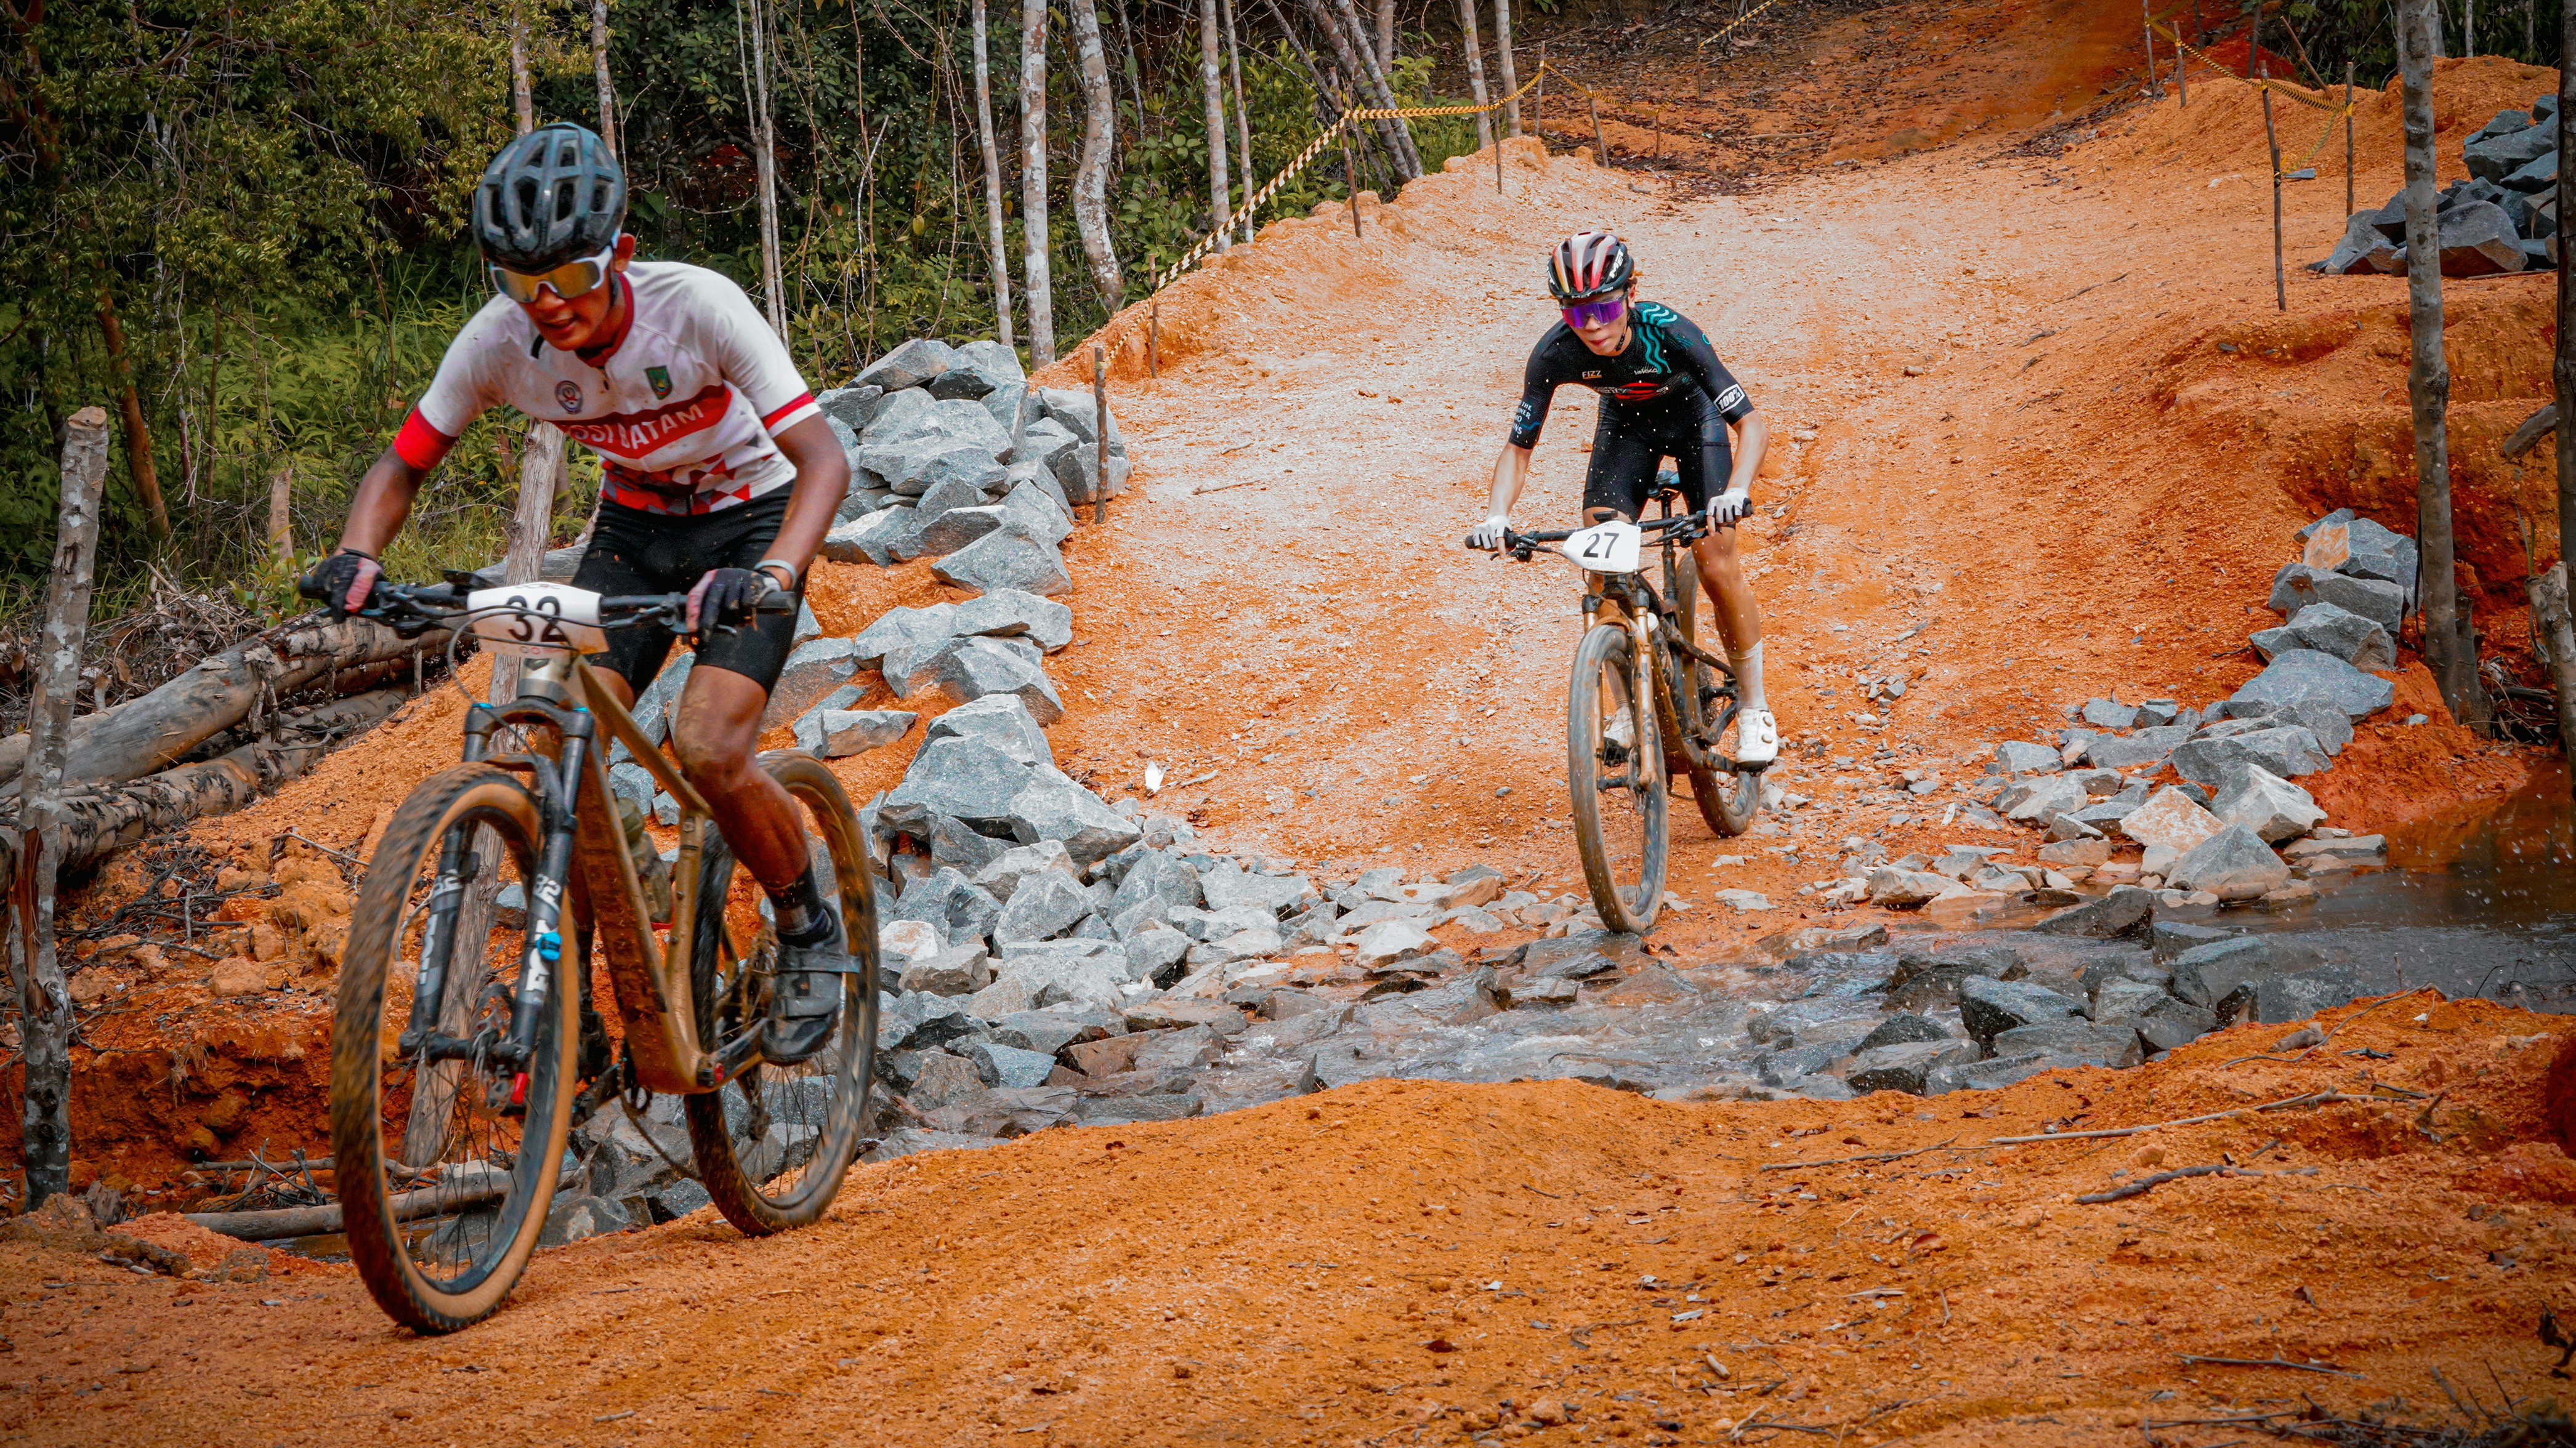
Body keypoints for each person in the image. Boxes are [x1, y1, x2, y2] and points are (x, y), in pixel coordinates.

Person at [302, 122, 857, 1064]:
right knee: (559, 740)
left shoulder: (697, 308)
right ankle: (577, 1005)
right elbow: (401, 466)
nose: (548, 304)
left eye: (569, 276)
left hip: (751, 523)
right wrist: (357, 555)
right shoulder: (497, 342)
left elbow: (823, 460)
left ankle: (808, 927)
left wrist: (771, 575)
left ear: (621, 255)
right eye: (522, 284)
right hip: (634, 535)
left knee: (708, 745)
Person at [1469, 230, 1779, 768]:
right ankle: (1627, 705)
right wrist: (1496, 515)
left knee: (1715, 560)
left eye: (1604, 307)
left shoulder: (1671, 331)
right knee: (1601, 561)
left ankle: (1754, 706)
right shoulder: (1554, 352)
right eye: (1575, 313)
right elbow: (1518, 449)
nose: (1592, 325)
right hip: (1626, 428)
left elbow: (1750, 424)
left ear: (1630, 294)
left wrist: (1736, 491)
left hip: (1695, 423)